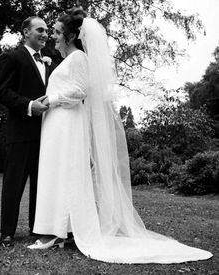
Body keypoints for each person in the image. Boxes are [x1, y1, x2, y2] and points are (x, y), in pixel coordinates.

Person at [28, 8, 213, 264]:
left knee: (66, 173)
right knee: (57, 173)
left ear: (70, 36)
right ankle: (59, 229)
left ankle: (58, 231)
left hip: (68, 125)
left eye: (58, 33)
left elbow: (80, 91)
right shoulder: (69, 59)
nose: (54, 38)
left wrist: (53, 98)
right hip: (57, 124)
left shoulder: (79, 57)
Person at [0, 16, 54, 247]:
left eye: (47, 31)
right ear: (25, 32)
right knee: (14, 183)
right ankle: (7, 233)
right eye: (40, 30)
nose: (45, 34)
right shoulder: (14, 57)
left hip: (46, 134)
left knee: (41, 184)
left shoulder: (49, 62)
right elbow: (3, 92)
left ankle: (36, 227)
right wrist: (31, 106)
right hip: (20, 133)